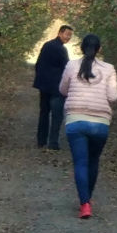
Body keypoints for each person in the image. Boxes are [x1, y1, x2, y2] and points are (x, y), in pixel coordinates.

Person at [58, 33, 117, 218]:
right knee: (93, 161)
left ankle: (85, 204)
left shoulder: (71, 65)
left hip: (75, 120)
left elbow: (62, 89)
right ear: (99, 49)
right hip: (100, 123)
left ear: (81, 48)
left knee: (80, 163)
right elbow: (113, 97)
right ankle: (88, 198)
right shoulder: (109, 69)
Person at [33, 24, 73, 153]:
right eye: (67, 34)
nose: (68, 38)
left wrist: (40, 79)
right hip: (56, 87)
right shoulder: (61, 50)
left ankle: (41, 140)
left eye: (70, 36)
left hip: (44, 85)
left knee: (44, 113)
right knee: (56, 115)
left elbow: (38, 64)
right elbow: (67, 68)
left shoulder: (47, 45)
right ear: (60, 33)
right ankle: (53, 142)